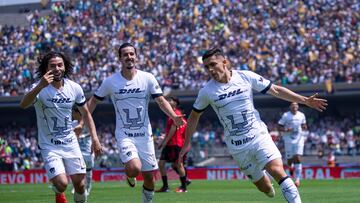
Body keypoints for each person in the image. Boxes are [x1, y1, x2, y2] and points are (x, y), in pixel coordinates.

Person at [179, 48, 327, 203]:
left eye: (213, 64)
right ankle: (266, 180)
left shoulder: (245, 76)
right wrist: (186, 141)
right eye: (207, 67)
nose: (210, 69)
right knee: (266, 189)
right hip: (237, 147)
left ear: (224, 62)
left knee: (278, 170)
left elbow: (275, 90)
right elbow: (194, 116)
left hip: (258, 136)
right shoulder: (207, 91)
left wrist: (305, 101)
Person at [87, 43, 185, 203]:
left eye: (131, 54)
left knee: (150, 180)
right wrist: (82, 121)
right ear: (120, 58)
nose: (129, 57)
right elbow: (92, 103)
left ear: (136, 56)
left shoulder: (147, 78)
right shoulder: (111, 82)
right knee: (134, 169)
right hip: (124, 134)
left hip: (145, 135)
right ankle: (129, 173)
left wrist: (174, 116)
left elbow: (160, 100)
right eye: (125, 54)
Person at [19, 51, 102, 203]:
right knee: (62, 183)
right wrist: (40, 86)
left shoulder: (74, 88)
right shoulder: (38, 87)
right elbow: (23, 104)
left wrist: (95, 138)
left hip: (70, 143)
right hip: (49, 145)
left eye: (59, 65)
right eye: (52, 66)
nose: (56, 68)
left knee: (80, 184)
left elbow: (86, 114)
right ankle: (58, 192)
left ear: (65, 67)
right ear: (46, 69)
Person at [155, 97, 191, 193]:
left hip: (175, 143)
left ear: (175, 103)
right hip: (171, 143)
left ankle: (184, 187)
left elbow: (173, 130)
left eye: (170, 100)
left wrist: (164, 142)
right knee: (161, 164)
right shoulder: (171, 114)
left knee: (178, 165)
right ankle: (165, 187)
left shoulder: (176, 114)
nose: (168, 102)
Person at [278, 102, 307, 187]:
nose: (295, 106)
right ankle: (290, 174)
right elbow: (279, 126)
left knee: (297, 157)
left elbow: (304, 125)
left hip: (299, 138)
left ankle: (297, 179)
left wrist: (305, 127)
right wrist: (286, 129)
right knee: (289, 159)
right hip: (288, 139)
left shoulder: (301, 115)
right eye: (293, 105)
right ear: (290, 106)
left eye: (296, 105)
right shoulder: (286, 115)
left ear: (298, 107)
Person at [71, 107, 95, 195]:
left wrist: (94, 143)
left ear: (79, 113)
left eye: (73, 112)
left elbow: (93, 133)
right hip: (77, 150)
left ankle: (88, 187)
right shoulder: (72, 123)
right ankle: (75, 187)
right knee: (77, 170)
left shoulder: (88, 122)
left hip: (87, 150)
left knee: (88, 170)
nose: (72, 114)